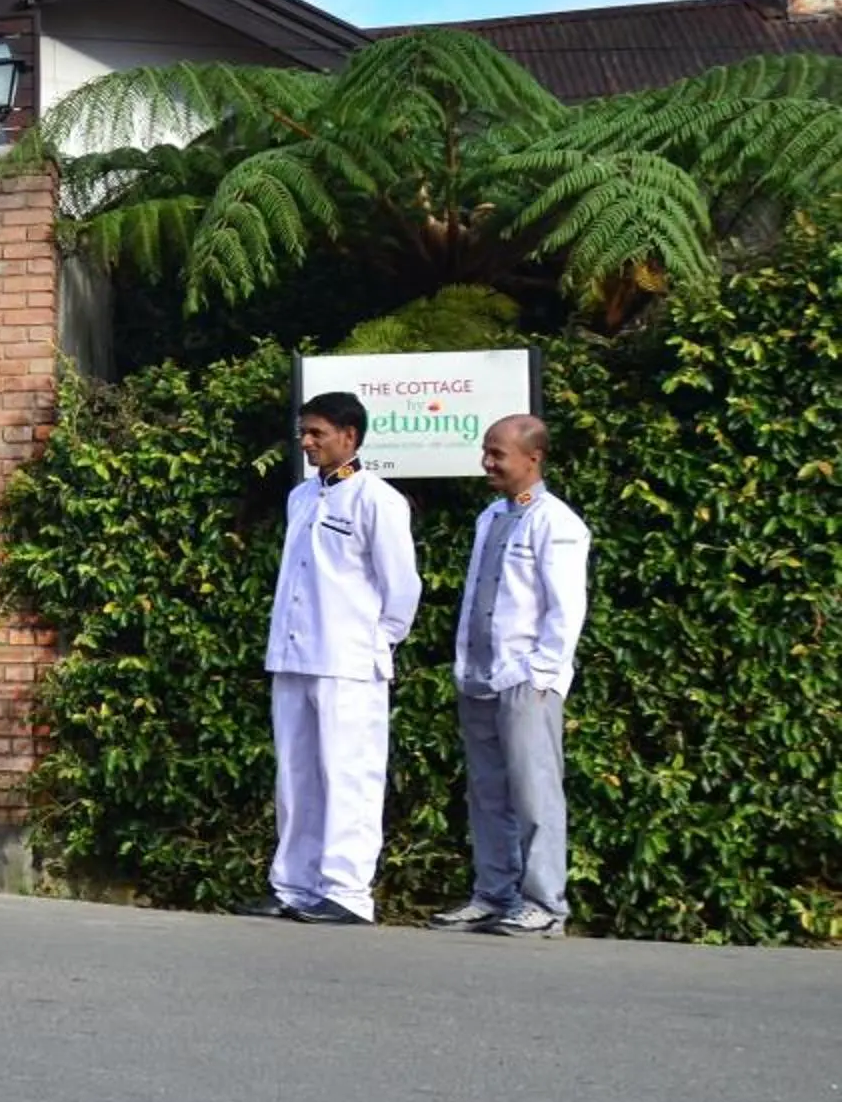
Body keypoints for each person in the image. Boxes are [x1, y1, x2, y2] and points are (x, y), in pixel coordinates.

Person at [239, 390, 420, 926]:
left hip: (348, 661)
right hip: (294, 654)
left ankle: (346, 891)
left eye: (317, 432)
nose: (307, 442)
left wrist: (375, 643)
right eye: (304, 432)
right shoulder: (302, 497)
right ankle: (293, 884)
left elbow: (401, 588)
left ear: (350, 435)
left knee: (349, 775)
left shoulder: (376, 499)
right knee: (296, 777)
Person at [430, 415, 590, 939]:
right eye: (486, 451)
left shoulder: (557, 522)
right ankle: (494, 893)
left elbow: (565, 610)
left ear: (533, 458)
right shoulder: (490, 517)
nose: (488, 462)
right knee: (487, 792)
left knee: (534, 792)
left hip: (526, 679)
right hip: (479, 674)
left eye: (498, 454)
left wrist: (543, 674)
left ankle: (545, 903)